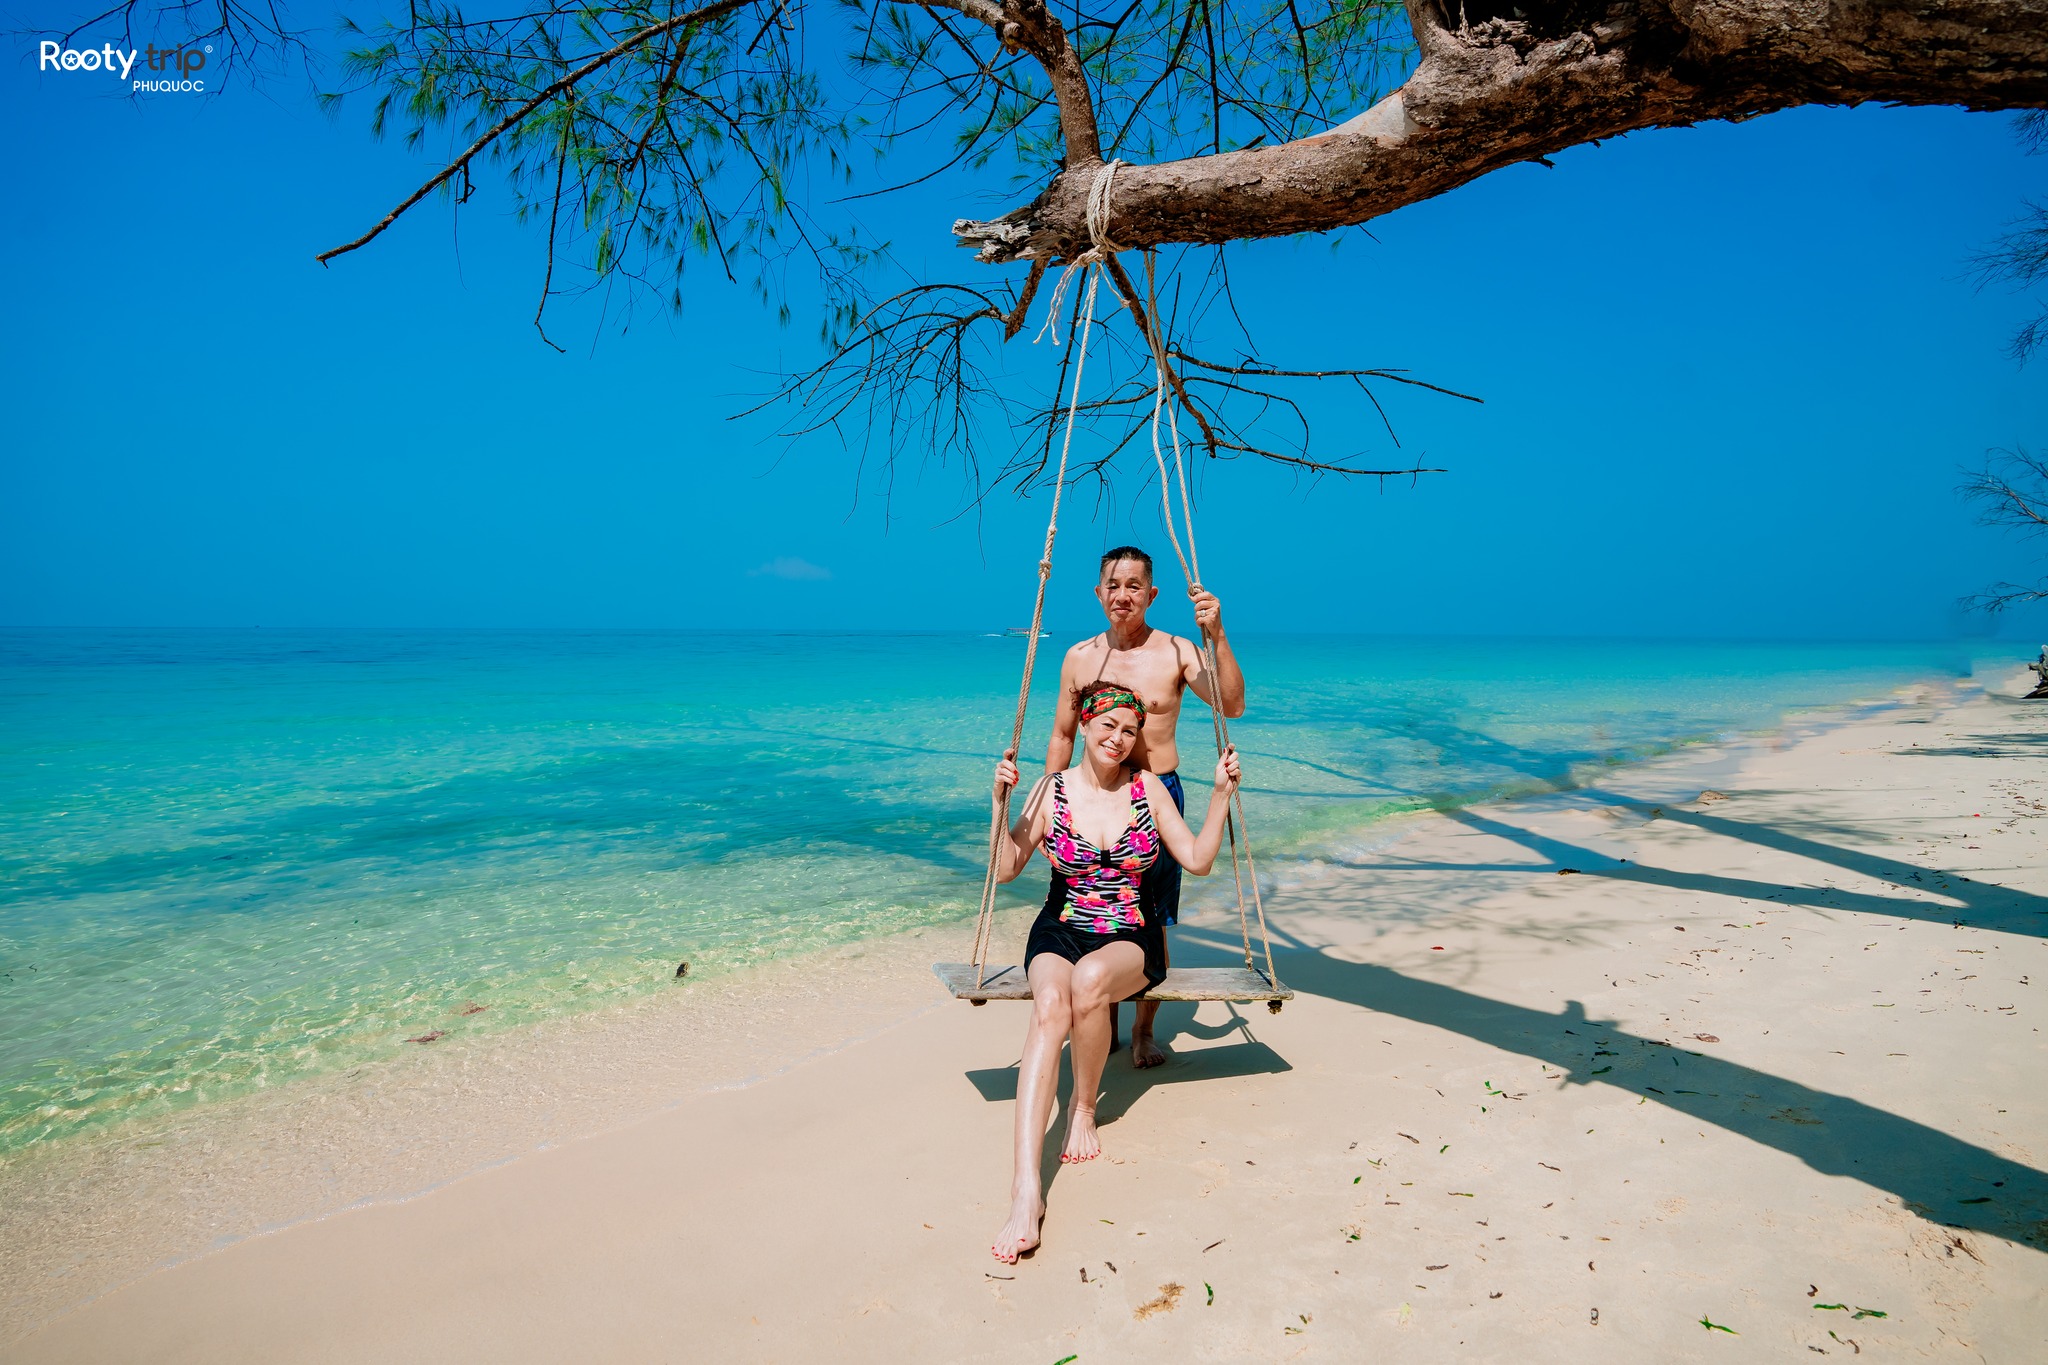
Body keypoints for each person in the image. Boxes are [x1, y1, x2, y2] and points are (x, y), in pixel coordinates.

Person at [987, 680, 1243, 1263]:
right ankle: (1026, 1189)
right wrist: (1000, 804)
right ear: (1083, 724)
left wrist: (1221, 795)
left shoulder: (1148, 788)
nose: (1119, 739)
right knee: (1050, 1006)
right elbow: (1004, 870)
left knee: (1089, 982)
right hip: (1060, 925)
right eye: (1108, 726)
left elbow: (1198, 862)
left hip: (1131, 932)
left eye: (1130, 730)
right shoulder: (1051, 792)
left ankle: (1082, 1109)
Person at [1043, 546, 1247, 1067]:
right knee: (1092, 909)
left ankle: (1142, 1030)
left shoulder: (1176, 650)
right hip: (1088, 796)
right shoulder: (1079, 656)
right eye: (1113, 584)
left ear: (1152, 595)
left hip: (1156, 796)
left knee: (1148, 916)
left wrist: (1217, 633)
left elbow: (1232, 704)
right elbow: (1063, 735)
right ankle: (1100, 1022)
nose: (1122, 594)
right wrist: (1047, 802)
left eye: (1134, 585)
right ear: (1098, 592)